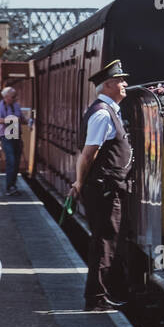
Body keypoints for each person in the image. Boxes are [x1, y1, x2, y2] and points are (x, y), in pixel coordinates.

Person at [70, 60, 133, 312]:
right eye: (120, 80)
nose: (125, 83)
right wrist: (79, 182)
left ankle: (100, 293)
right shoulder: (101, 114)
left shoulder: (109, 111)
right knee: (104, 241)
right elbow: (88, 153)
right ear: (108, 84)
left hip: (108, 186)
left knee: (107, 239)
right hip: (103, 187)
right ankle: (96, 297)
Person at [0, 85, 25, 195]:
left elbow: (22, 118)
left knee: (16, 162)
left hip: (16, 136)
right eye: (13, 96)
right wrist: (12, 120)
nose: (15, 98)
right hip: (6, 137)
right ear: (6, 97)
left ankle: (13, 185)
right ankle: (9, 187)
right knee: (10, 161)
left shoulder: (16, 106)